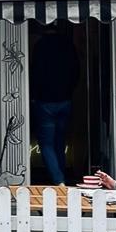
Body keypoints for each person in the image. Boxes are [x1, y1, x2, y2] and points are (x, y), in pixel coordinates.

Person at [30, 22, 79, 184]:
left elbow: (35, 72)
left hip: (45, 101)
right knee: (59, 141)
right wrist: (70, 91)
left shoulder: (40, 46)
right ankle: (61, 173)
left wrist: (34, 95)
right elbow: (76, 70)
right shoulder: (68, 45)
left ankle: (58, 179)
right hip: (64, 99)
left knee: (46, 143)